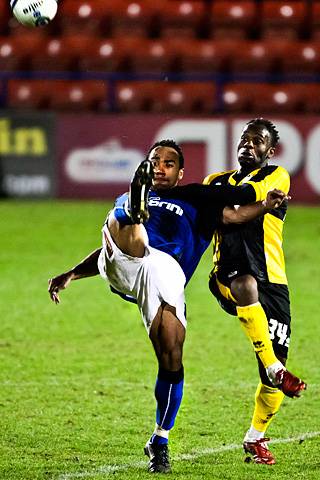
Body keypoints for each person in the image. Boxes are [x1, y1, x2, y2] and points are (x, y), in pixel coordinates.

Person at [48, 139, 288, 474]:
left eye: (168, 163)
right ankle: (132, 208)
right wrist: (72, 273)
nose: (161, 167)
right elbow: (110, 252)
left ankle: (160, 440)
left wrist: (266, 203)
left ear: (180, 173)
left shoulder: (197, 197)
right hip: (126, 259)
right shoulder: (137, 204)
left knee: (171, 359)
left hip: (162, 278)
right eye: (154, 161)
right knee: (131, 232)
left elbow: (236, 210)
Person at [204, 119, 307, 465]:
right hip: (227, 275)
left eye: (258, 142)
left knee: (271, 384)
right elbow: (230, 216)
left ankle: (255, 437)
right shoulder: (215, 181)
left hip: (274, 284)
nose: (248, 145)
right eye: (244, 140)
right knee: (244, 283)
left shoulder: (278, 176)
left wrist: (226, 207)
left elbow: (237, 206)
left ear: (270, 151)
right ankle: (275, 367)